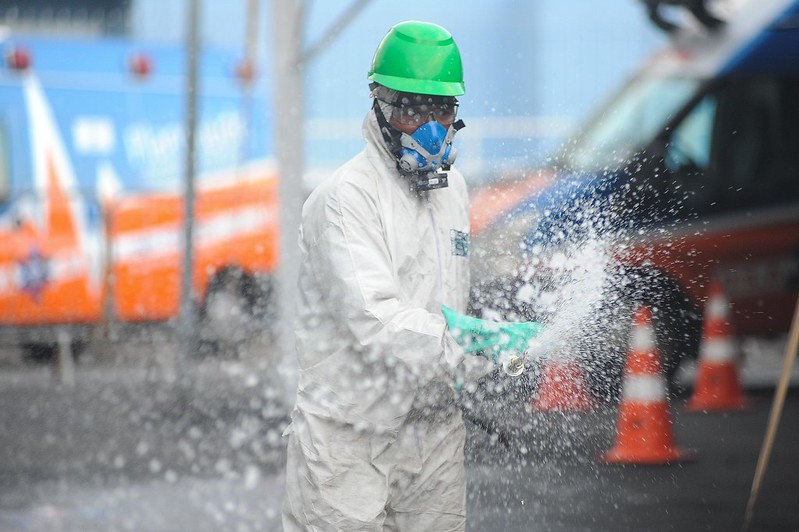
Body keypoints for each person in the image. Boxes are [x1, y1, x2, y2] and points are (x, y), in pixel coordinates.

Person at [282, 20, 492, 531]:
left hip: (434, 433)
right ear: (379, 106)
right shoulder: (344, 199)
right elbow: (375, 321)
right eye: (412, 110)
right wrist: (469, 343)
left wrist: (476, 348)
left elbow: (447, 301)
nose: (431, 126)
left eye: (442, 109)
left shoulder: (454, 191)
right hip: (350, 439)